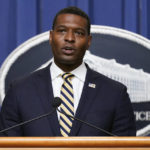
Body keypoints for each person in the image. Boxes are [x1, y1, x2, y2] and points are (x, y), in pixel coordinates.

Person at [0, 6, 136, 136]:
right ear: (51, 37)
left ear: (89, 41)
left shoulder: (115, 94)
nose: (69, 38)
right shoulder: (19, 91)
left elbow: (126, 146)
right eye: (62, 31)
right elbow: (7, 143)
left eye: (78, 33)